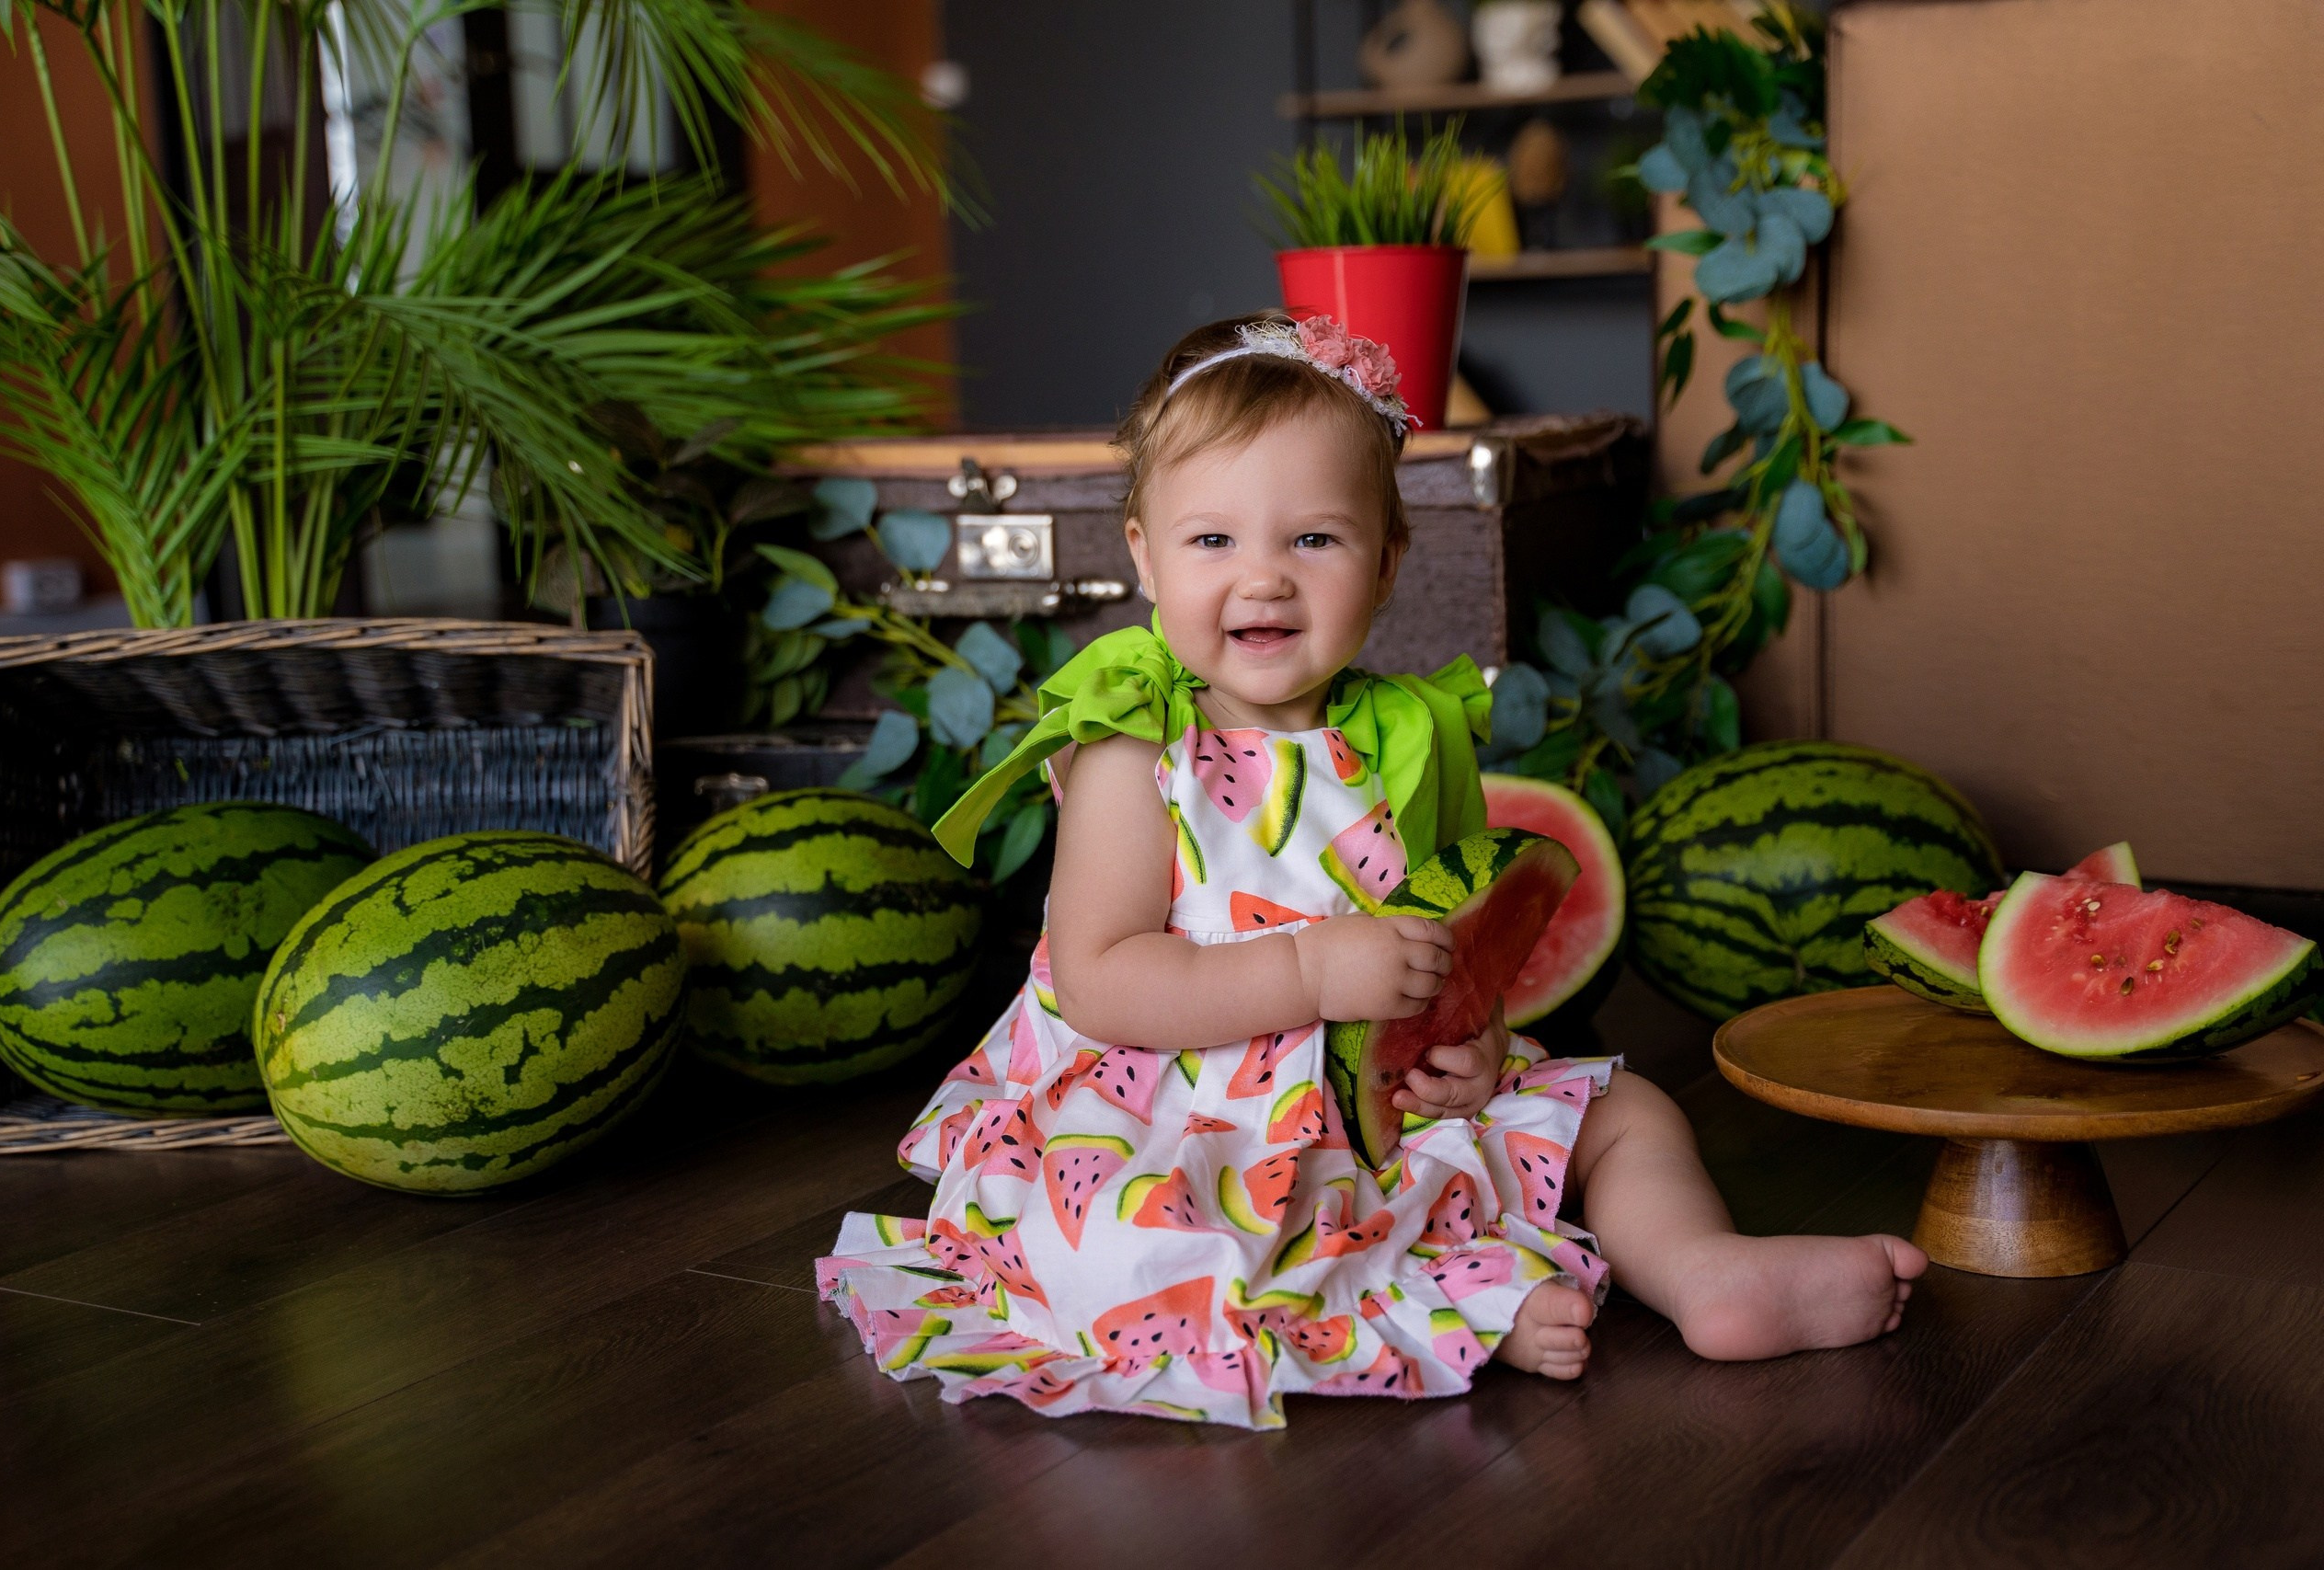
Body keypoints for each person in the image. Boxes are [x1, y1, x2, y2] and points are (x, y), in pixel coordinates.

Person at [817, 313, 1926, 1428]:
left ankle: (1701, 1269)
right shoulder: (1129, 745)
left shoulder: (1408, 730)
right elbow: (1100, 979)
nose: (1263, 580)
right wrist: (1306, 972)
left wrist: (1474, 1047)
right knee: (1115, 1247)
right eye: (1211, 543)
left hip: (1379, 1098)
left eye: (1313, 541)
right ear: (1142, 555)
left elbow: (1453, 943)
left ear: (1387, 561)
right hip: (1179, 1106)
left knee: (1622, 1112)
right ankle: (1461, 1297)